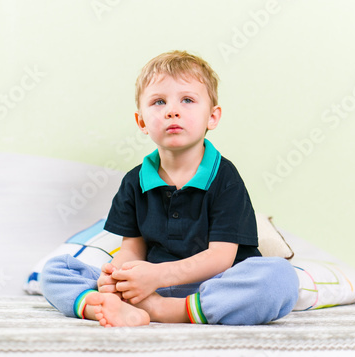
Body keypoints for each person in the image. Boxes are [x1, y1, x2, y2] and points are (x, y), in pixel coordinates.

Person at [41, 50, 299, 327]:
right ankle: (101, 305)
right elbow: (132, 249)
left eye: (187, 100)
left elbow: (221, 257)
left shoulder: (224, 177)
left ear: (212, 117)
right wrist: (118, 277)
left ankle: (169, 311)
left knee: (279, 278)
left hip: (215, 287)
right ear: (141, 121)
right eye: (158, 102)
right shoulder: (135, 180)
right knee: (55, 270)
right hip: (148, 285)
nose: (172, 110)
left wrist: (158, 276)